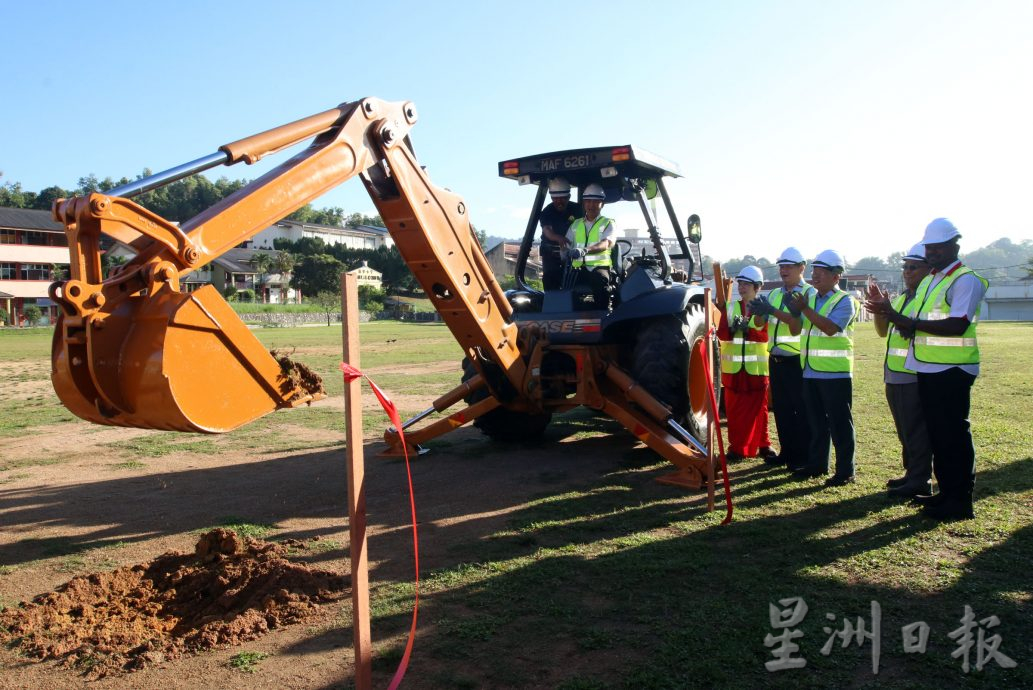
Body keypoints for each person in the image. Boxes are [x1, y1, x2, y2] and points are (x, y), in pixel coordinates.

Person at [869, 219, 987, 521]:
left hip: (952, 370)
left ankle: (960, 500)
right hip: (927, 368)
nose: (932, 253)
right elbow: (912, 320)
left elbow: (958, 323)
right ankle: (944, 493)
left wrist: (907, 322)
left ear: (954, 246)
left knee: (954, 437)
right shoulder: (934, 279)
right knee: (937, 436)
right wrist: (893, 315)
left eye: (938, 247)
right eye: (929, 248)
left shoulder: (965, 280)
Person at [865, 243, 934, 498]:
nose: (907, 271)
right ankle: (911, 473)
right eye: (905, 266)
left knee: (916, 430)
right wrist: (880, 310)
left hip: (913, 374)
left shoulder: (926, 298)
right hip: (895, 373)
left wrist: (888, 311)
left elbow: (911, 329)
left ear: (929, 269)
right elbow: (884, 332)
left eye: (913, 267)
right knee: (904, 430)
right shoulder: (904, 297)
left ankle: (920, 479)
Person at [787, 250, 858, 486]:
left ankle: (845, 471)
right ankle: (818, 464)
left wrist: (804, 309)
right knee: (816, 422)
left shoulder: (845, 301)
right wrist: (795, 312)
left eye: (823, 271)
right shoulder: (812, 299)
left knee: (839, 424)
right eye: (815, 270)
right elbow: (798, 330)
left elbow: (830, 328)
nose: (816, 275)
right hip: (810, 370)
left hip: (835, 373)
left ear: (836, 276)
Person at [747, 247, 816, 469]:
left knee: (801, 410)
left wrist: (772, 311)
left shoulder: (809, 294)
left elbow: (798, 327)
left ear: (801, 268)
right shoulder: (775, 294)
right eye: (781, 266)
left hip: (797, 360)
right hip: (775, 359)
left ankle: (802, 456)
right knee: (783, 410)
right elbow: (759, 324)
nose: (783, 271)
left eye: (788, 266)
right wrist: (759, 311)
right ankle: (787, 452)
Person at [717, 266, 772, 461]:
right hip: (733, 372)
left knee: (760, 411)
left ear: (757, 287)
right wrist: (732, 329)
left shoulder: (764, 307)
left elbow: (766, 335)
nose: (741, 287)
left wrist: (747, 330)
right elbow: (721, 333)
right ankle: (737, 449)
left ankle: (764, 445)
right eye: (740, 284)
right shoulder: (731, 308)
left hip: (756, 371)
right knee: (734, 412)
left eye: (746, 284)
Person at [565, 183, 615, 307]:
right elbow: (566, 244)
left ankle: (603, 315)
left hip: (599, 268)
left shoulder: (608, 223)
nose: (591, 205)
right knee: (562, 283)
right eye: (588, 201)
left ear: (602, 204)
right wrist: (558, 250)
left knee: (600, 282)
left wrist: (585, 250)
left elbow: (606, 243)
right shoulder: (576, 224)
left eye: (595, 201)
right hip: (578, 269)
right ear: (584, 203)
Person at [538, 178, 583, 290]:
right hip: (551, 254)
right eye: (555, 198)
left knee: (577, 280)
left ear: (568, 197)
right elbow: (547, 230)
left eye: (562, 198)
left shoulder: (578, 210)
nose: (559, 201)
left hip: (574, 252)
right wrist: (557, 237)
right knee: (550, 279)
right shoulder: (547, 212)